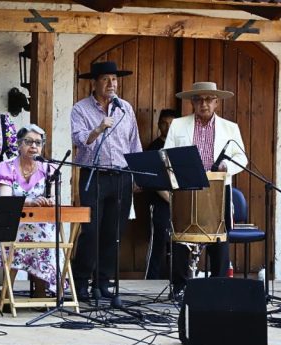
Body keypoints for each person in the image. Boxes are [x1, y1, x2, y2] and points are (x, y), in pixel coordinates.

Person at [162, 82, 246, 298]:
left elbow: (242, 159)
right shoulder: (179, 125)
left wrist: (228, 168)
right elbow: (166, 154)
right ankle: (179, 286)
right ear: (192, 102)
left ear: (217, 102)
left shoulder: (230, 127)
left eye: (209, 99)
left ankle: (218, 285)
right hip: (186, 187)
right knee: (180, 236)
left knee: (220, 238)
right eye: (199, 99)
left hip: (219, 188)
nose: (204, 104)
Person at [70, 61, 142, 300]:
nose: (112, 84)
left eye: (114, 79)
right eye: (106, 79)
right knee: (91, 232)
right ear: (94, 82)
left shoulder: (125, 108)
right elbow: (80, 140)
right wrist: (98, 129)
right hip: (94, 175)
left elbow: (134, 144)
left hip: (121, 177)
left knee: (113, 233)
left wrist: (137, 175)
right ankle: (81, 282)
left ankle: (103, 283)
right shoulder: (80, 109)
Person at [0, 125, 62, 294]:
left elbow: (54, 198)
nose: (33, 146)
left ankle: (40, 293)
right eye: (28, 141)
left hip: (40, 224)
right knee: (19, 237)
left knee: (45, 237)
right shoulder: (7, 166)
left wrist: (48, 201)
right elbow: (5, 199)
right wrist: (30, 202)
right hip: (13, 222)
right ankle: (7, 293)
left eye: (38, 143)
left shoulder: (49, 168)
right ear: (18, 144)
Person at [145, 109, 179, 280]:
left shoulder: (180, 146)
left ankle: (176, 279)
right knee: (158, 240)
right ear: (158, 125)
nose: (167, 127)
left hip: (179, 202)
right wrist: (171, 200)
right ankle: (151, 280)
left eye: (171, 124)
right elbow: (154, 180)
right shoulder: (153, 147)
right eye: (164, 123)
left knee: (179, 243)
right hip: (160, 202)